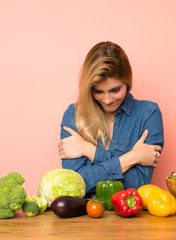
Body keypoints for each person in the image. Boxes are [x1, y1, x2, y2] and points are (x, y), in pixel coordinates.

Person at [58, 41, 164, 196]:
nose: (107, 100)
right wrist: (132, 158)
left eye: (115, 90)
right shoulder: (74, 115)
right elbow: (76, 183)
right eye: (99, 91)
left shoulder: (148, 113)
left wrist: (90, 151)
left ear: (127, 83)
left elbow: (139, 184)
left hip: (130, 215)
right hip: (84, 216)